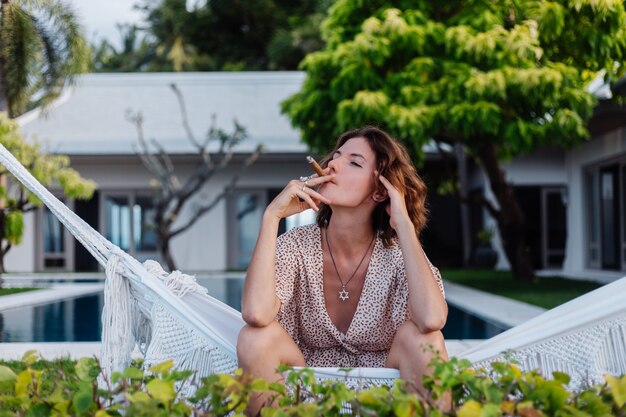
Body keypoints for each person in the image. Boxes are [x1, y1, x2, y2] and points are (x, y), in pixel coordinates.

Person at [237, 126, 448, 413]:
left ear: (379, 193)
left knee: (426, 341)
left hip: (382, 394)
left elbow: (432, 320)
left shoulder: (398, 254)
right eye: (335, 157)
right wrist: (271, 217)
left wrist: (405, 227)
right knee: (254, 337)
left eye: (354, 162)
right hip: (305, 391)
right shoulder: (297, 245)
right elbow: (255, 314)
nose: (333, 164)